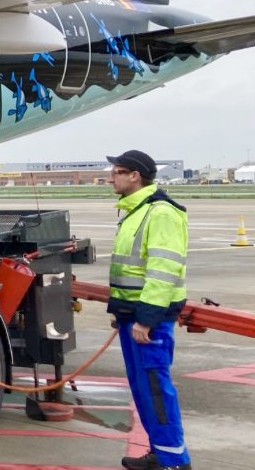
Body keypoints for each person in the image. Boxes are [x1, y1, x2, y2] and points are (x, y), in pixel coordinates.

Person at [106, 150, 191, 470]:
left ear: (135, 176)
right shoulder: (136, 210)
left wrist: (146, 319)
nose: (110, 177)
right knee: (143, 389)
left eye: (117, 172)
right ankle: (160, 452)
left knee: (155, 389)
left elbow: (162, 272)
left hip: (150, 320)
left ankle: (175, 462)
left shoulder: (161, 213)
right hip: (134, 316)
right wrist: (124, 313)